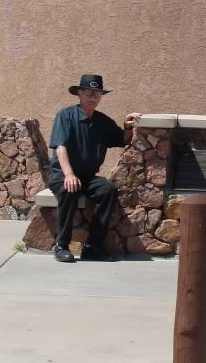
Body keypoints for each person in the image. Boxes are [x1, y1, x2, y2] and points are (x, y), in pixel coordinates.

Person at [47, 75, 142, 263]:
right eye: (89, 92)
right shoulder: (65, 115)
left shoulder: (103, 122)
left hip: (88, 177)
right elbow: (60, 147)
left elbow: (122, 140)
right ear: (80, 94)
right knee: (69, 189)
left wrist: (127, 126)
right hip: (63, 174)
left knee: (108, 190)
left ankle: (93, 247)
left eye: (97, 93)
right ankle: (62, 245)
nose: (93, 96)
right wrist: (69, 174)